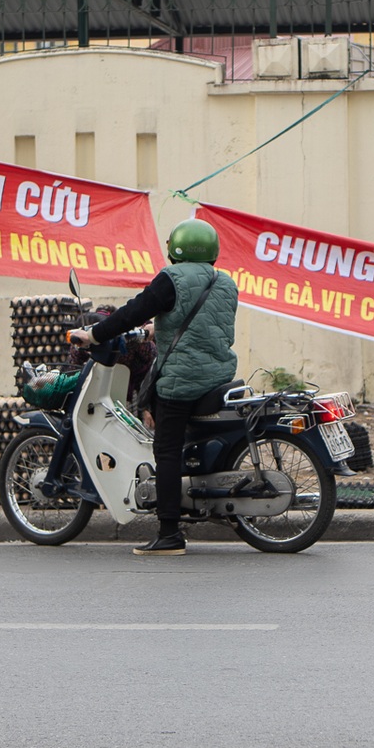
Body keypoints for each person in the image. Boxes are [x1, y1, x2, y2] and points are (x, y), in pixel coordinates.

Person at [69, 219, 239, 557]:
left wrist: (95, 334)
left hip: (183, 380)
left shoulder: (171, 279)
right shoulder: (225, 282)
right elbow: (199, 326)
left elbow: (133, 311)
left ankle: (169, 533)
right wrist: (154, 331)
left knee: (166, 448)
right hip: (219, 374)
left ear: (176, 249)